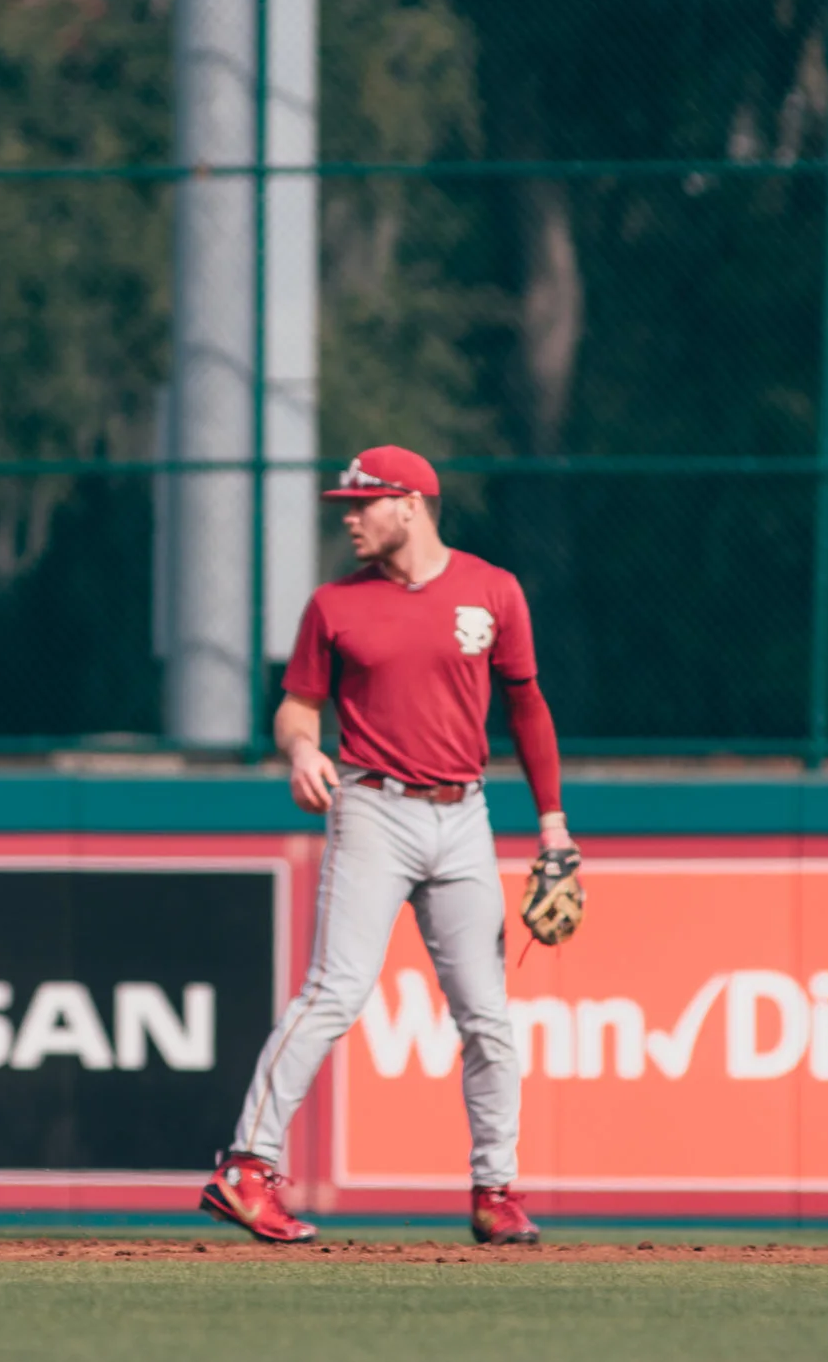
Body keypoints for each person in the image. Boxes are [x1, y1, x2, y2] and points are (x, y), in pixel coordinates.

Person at [201, 444, 575, 1247]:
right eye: (347, 504)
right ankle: (247, 1167)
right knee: (334, 992)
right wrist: (302, 751)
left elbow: (528, 709)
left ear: (410, 503)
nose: (351, 516)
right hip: (373, 808)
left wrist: (552, 825)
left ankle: (495, 1189)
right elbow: (298, 708)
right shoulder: (335, 605)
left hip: (464, 812)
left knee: (488, 1016)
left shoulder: (492, 590)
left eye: (363, 503)